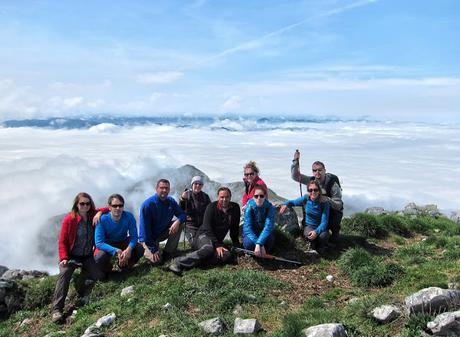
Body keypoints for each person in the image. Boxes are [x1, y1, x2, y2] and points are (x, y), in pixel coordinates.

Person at [51, 192, 106, 323]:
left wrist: (99, 213)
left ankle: (84, 274)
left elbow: (108, 208)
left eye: (88, 203)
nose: (85, 206)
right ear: (76, 204)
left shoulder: (92, 214)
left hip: (87, 256)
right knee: (64, 275)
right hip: (71, 256)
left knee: (100, 277)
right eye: (82, 203)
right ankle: (56, 310)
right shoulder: (69, 219)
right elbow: (62, 241)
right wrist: (64, 257)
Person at [167, 187, 240, 275]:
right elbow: (207, 227)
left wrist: (236, 244)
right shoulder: (211, 207)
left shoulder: (235, 208)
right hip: (204, 235)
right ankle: (178, 262)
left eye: (227, 197)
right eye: (222, 197)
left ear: (230, 197)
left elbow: (234, 228)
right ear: (218, 197)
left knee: (226, 255)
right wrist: (217, 245)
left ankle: (198, 261)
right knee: (208, 248)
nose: (224, 199)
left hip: (216, 240)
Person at [291, 151, 343, 243]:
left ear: (324, 170)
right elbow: (295, 176)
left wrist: (327, 200)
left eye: (320, 170)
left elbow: (339, 205)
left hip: (332, 210)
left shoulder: (333, 184)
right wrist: (295, 161)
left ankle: (334, 235)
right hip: (319, 211)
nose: (317, 172)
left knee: (334, 220)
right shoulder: (311, 181)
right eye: (314, 170)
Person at [94, 194, 144, 274]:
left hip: (122, 241)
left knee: (139, 249)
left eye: (120, 205)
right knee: (99, 258)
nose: (118, 208)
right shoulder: (102, 220)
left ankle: (126, 264)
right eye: (115, 206)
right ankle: (108, 269)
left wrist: (129, 249)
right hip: (107, 244)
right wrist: (116, 251)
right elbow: (99, 243)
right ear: (109, 207)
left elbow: (134, 236)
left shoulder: (129, 217)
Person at [139, 179, 186, 264]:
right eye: (162, 188)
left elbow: (182, 215)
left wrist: (178, 221)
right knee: (157, 261)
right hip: (149, 239)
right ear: (156, 189)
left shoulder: (171, 201)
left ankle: (168, 252)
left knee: (180, 224)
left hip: (162, 232)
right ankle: (147, 250)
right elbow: (145, 231)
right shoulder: (147, 205)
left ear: (169, 189)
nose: (164, 190)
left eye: (167, 188)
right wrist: (153, 249)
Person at [280, 180, 330, 254]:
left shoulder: (324, 203)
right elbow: (293, 202)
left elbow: (324, 222)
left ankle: (320, 247)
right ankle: (313, 245)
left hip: (320, 226)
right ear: (308, 191)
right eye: (310, 190)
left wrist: (316, 232)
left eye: (315, 190)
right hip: (309, 225)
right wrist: (285, 204)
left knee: (323, 236)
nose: (313, 192)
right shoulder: (306, 199)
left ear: (319, 191)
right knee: (309, 234)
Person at [242, 184, 276, 256]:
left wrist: (259, 243)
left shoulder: (270, 207)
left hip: (264, 232)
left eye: (261, 196)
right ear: (253, 197)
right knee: (249, 244)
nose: (259, 198)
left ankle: (259, 251)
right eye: (256, 196)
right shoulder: (249, 206)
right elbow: (247, 228)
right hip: (251, 232)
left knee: (269, 242)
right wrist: (258, 244)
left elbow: (268, 227)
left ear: (265, 197)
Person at [179, 175, 211, 245]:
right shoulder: (186, 195)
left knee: (204, 240)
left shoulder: (205, 197)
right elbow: (180, 209)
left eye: (200, 184)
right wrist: (182, 199)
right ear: (192, 184)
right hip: (190, 225)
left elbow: (209, 210)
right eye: (195, 183)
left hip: (202, 225)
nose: (198, 186)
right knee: (194, 243)